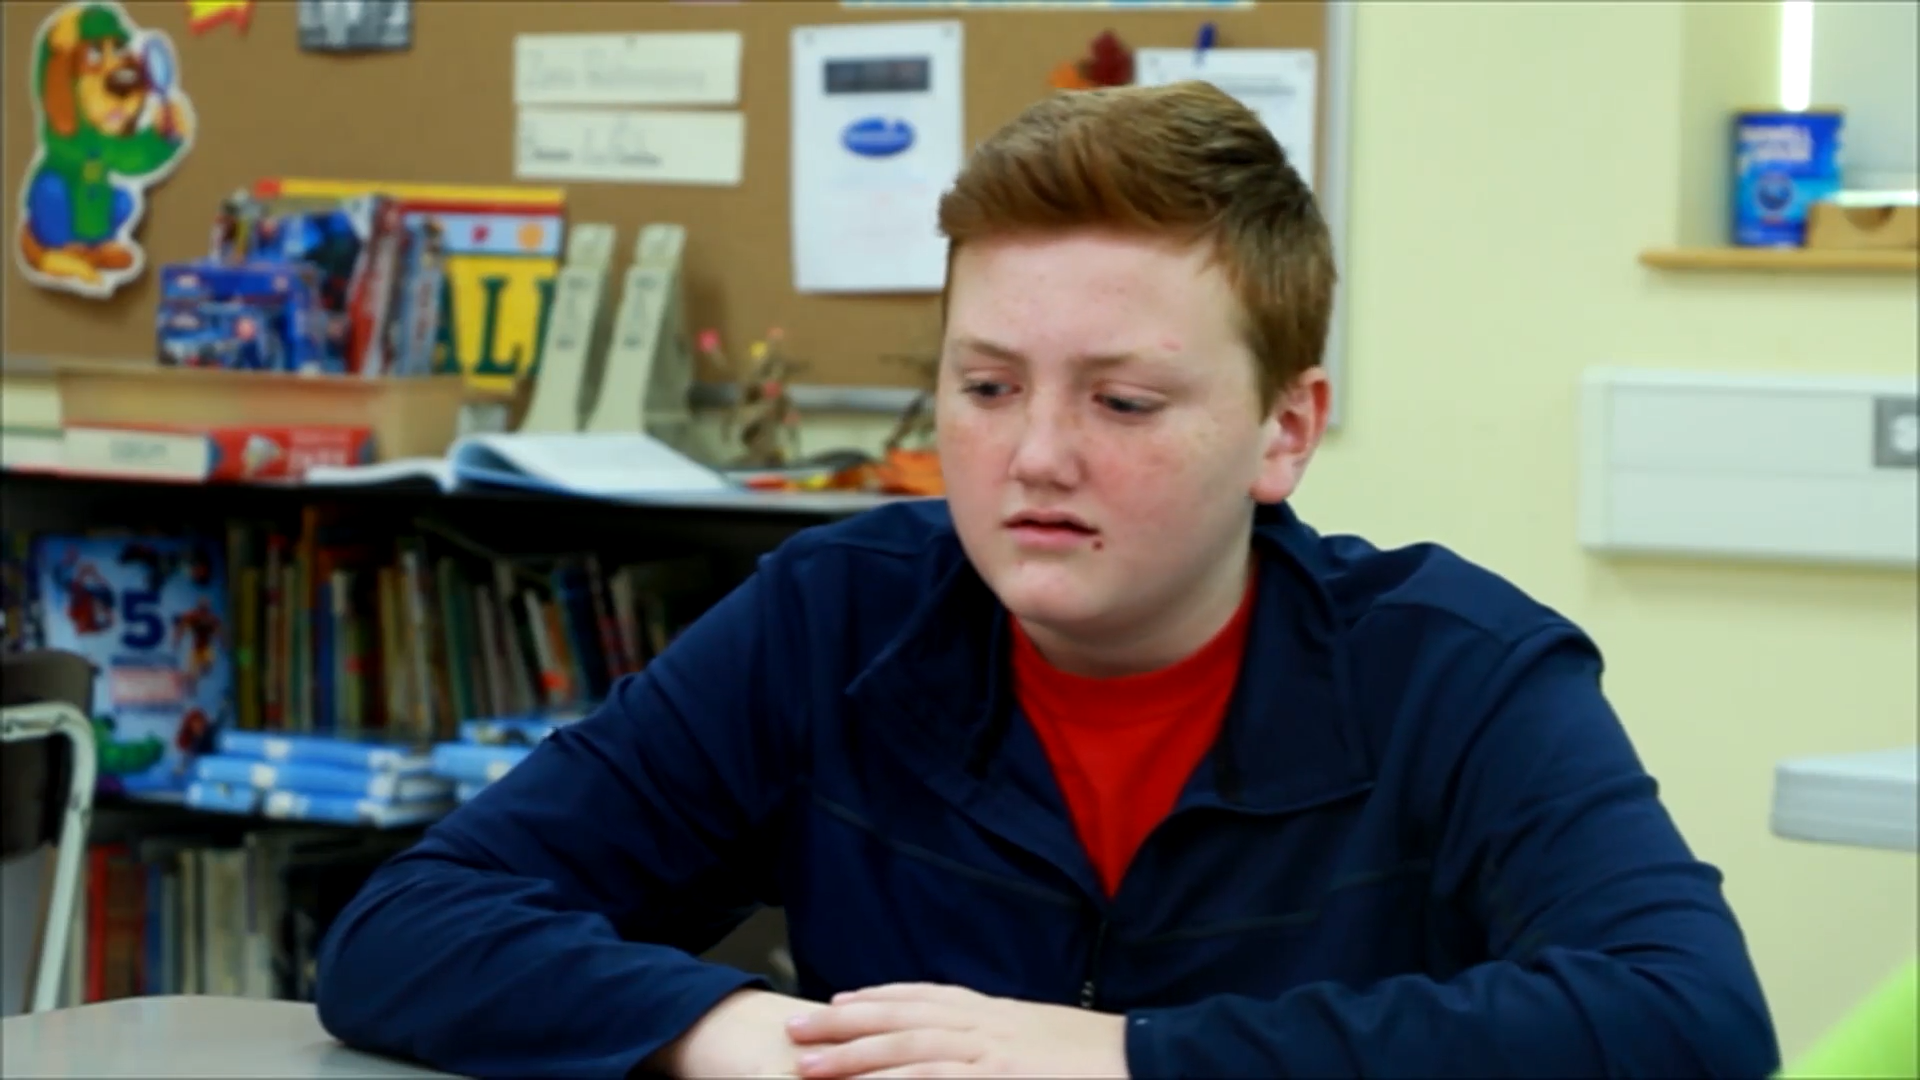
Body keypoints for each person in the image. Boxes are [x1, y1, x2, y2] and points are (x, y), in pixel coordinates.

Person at [314, 82, 1779, 1078]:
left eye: (1124, 404)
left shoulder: (1455, 671)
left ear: (1287, 431)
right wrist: (731, 1027)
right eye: (987, 385)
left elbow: (1689, 1018)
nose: (1035, 456)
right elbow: (408, 925)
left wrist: (1126, 1056)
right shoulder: (836, 618)